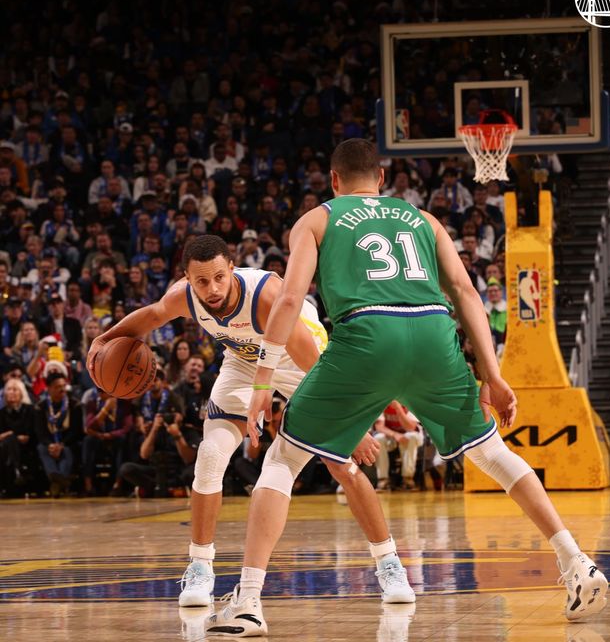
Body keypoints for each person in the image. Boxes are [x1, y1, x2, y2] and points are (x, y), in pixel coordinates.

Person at [243, 138, 608, 637]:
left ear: (333, 180)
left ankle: (247, 602)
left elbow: (289, 301)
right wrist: (493, 374)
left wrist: (263, 379)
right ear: (381, 179)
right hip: (434, 333)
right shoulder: (423, 219)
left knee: (283, 460)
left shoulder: (316, 219)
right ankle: (575, 560)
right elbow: (465, 292)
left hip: (367, 336)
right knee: (494, 454)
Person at [87, 234, 414, 614]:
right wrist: (104, 339)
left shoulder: (266, 297)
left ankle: (389, 563)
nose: (212, 289)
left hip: (301, 359)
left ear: (232, 268)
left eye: (219, 278)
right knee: (210, 455)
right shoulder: (184, 296)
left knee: (340, 463)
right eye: (201, 281)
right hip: (244, 361)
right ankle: (200, 567)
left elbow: (315, 366)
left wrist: (350, 428)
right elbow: (153, 315)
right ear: (188, 279)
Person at [373, 402, 424, 491]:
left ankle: (408, 478)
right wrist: (395, 434)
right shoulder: (382, 402)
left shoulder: (411, 402)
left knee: (412, 436)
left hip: (408, 436)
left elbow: (410, 427)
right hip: (390, 436)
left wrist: (398, 408)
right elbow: (379, 427)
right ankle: (383, 479)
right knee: (378, 438)